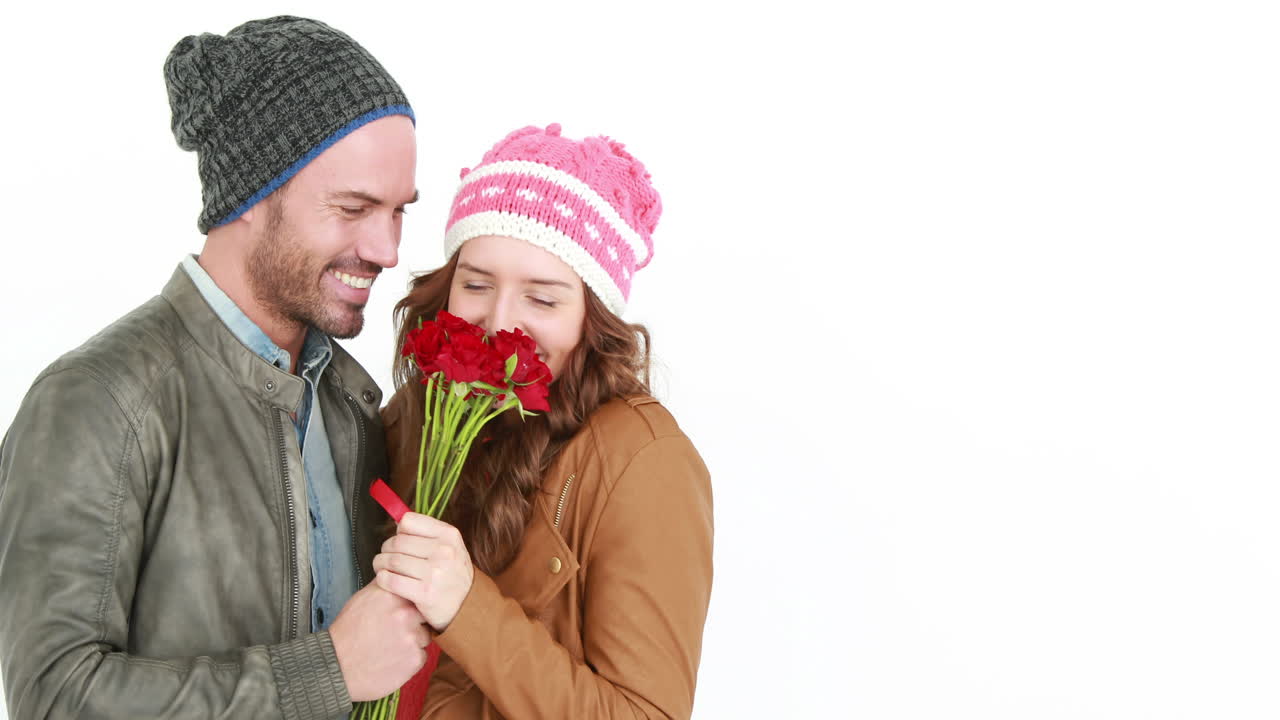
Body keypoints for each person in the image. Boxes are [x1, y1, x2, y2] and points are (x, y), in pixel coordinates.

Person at [0, 16, 432, 718]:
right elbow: (52, 698)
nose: (385, 249)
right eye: (353, 209)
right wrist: (324, 673)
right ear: (252, 197)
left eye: (397, 213)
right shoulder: (99, 400)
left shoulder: (348, 404)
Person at [377, 123, 714, 719]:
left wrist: (466, 608)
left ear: (593, 315)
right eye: (476, 284)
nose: (498, 324)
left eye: (543, 298)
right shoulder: (418, 414)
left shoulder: (644, 462)